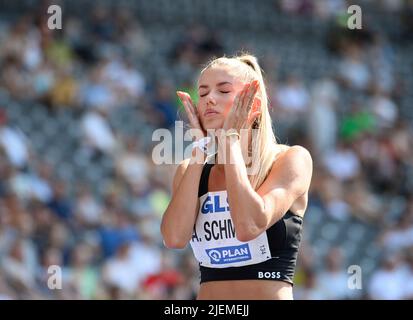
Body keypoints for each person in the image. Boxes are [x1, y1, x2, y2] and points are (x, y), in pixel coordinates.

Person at [161, 53, 313, 300]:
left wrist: (229, 141)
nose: (209, 99)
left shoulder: (290, 160)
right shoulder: (192, 169)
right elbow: (174, 238)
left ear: (252, 104)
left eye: (223, 91)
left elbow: (248, 226)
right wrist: (200, 150)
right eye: (203, 93)